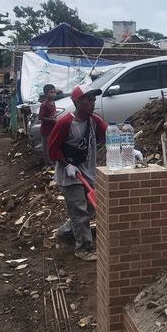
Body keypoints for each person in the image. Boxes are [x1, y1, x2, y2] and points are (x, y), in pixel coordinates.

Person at [47, 84, 108, 261]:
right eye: (89, 99)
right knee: (80, 211)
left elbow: (110, 135)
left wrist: (127, 148)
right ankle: (84, 248)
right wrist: (67, 165)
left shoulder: (94, 121)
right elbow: (53, 149)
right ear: (77, 102)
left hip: (88, 173)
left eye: (94, 99)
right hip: (70, 174)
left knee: (87, 210)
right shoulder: (65, 123)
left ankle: (64, 232)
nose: (92, 102)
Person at [39, 84, 58, 166]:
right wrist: (52, 120)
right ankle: (48, 163)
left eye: (54, 92)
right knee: (46, 147)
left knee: (52, 145)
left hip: (52, 128)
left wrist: (55, 118)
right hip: (46, 129)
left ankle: (52, 160)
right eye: (51, 92)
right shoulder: (44, 105)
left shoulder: (53, 103)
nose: (53, 94)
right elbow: (40, 117)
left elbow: (53, 114)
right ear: (46, 93)